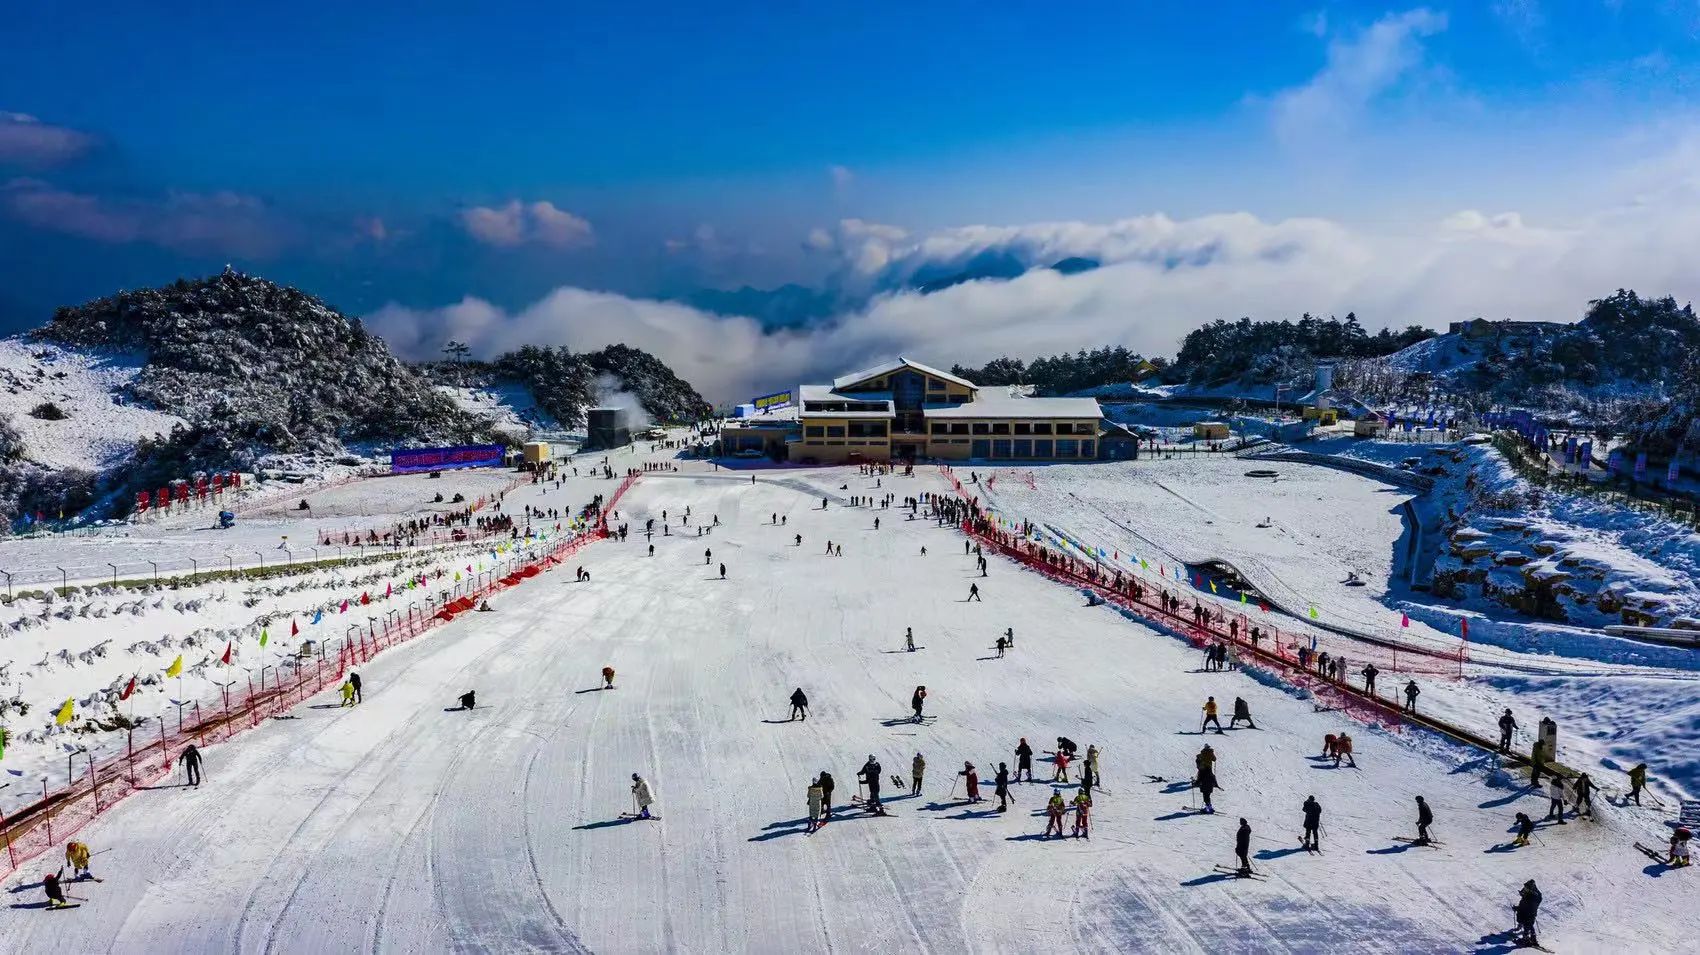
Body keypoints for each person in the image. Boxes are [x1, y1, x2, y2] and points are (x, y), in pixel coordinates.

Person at [1514, 879, 1543, 948]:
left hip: (1528, 913)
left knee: (1527, 924)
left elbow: (1525, 905)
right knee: (1529, 925)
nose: (1525, 889)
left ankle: (1526, 940)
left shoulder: (1532, 896)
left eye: (1526, 888)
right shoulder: (1534, 893)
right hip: (1530, 913)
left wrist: (1517, 908)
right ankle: (1533, 939)